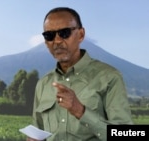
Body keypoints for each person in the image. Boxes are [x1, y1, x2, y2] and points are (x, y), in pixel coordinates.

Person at [27, 7, 133, 141]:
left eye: (64, 33)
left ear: (81, 34)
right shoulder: (43, 84)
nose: (57, 41)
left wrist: (81, 111)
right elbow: (38, 131)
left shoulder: (109, 77)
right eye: (49, 35)